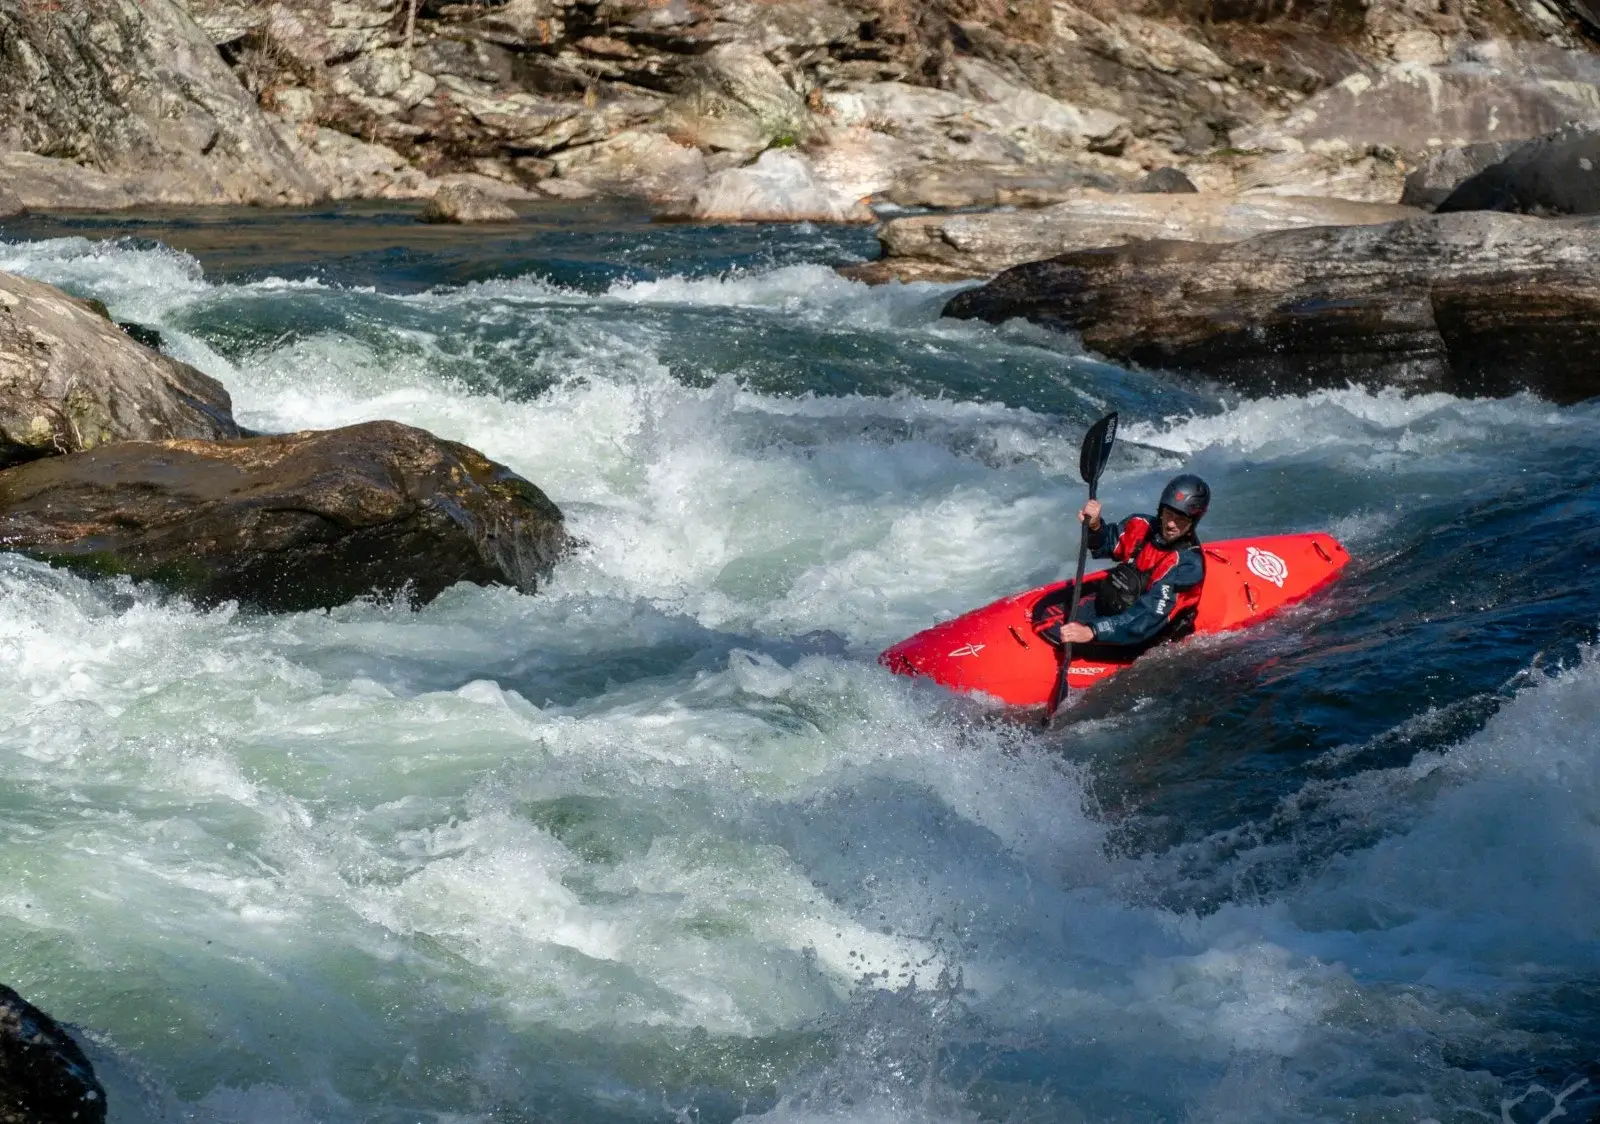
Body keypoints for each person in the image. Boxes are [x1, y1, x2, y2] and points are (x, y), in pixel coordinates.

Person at [1041, 474, 1211, 652]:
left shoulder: (1188, 566)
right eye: (1168, 514)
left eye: (1180, 520)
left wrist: (1093, 630)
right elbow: (1108, 543)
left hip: (1148, 633)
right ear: (1161, 509)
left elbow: (1149, 616)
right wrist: (1095, 526)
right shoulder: (1141, 525)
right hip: (1119, 606)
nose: (1170, 524)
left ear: (1193, 522)